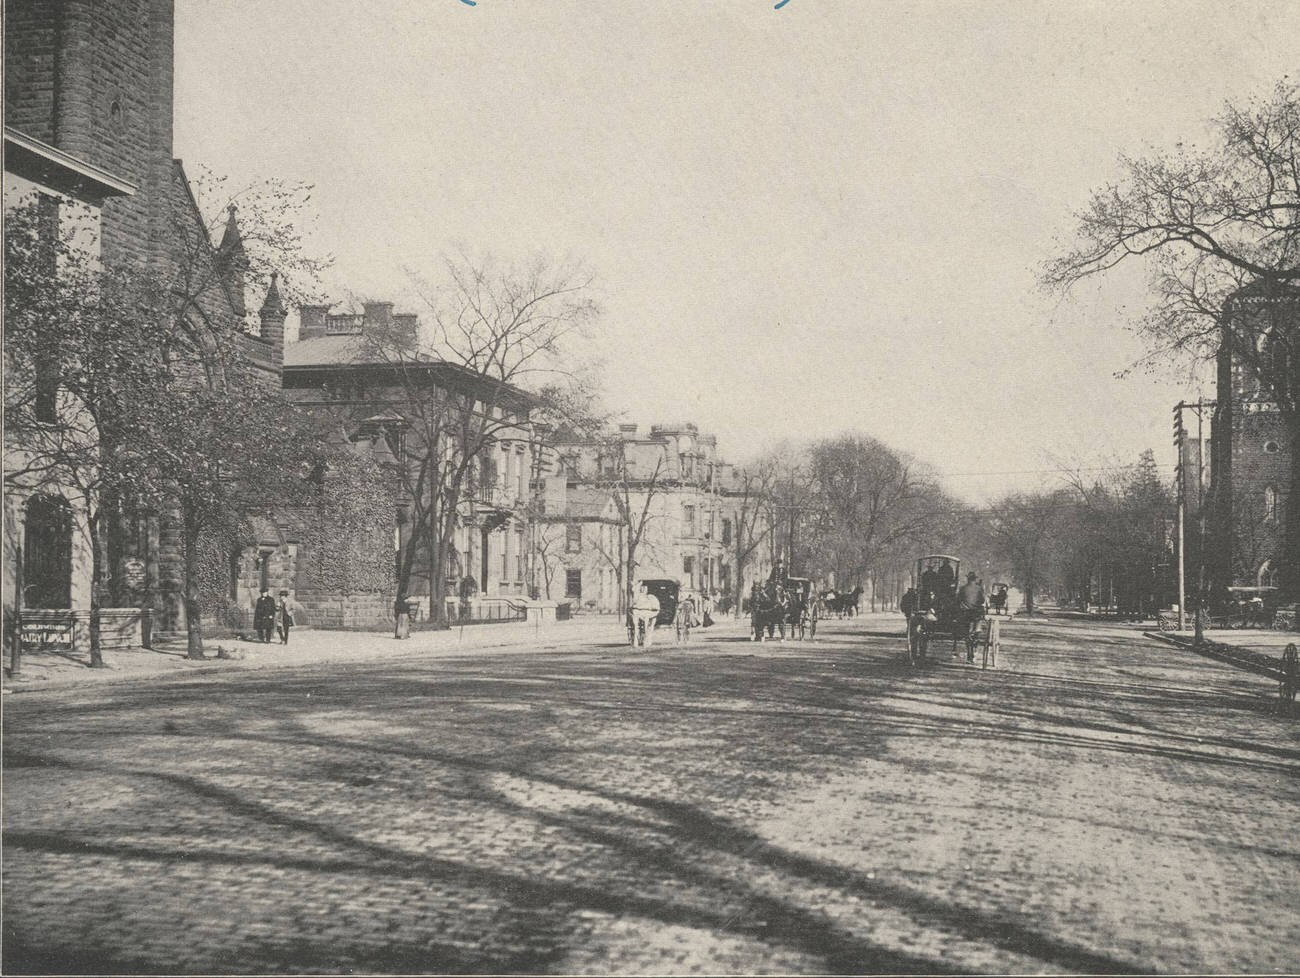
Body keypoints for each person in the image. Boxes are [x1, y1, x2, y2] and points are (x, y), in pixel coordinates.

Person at [957, 572, 986, 662]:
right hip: (976, 613)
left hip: (965, 613)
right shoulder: (979, 588)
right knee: (976, 629)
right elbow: (982, 600)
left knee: (967, 634)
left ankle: (970, 655)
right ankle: (975, 641)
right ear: (975, 579)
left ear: (968, 579)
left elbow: (958, 600)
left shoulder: (963, 588)